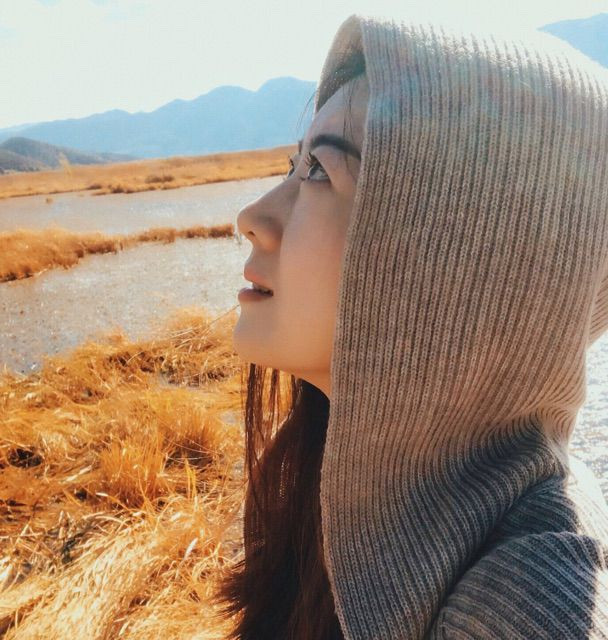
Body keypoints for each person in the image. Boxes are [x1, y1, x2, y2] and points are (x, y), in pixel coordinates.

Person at [213, 13, 608, 639]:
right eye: (293, 166)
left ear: (464, 255)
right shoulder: (321, 472)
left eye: (319, 172)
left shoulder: (530, 600)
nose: (253, 216)